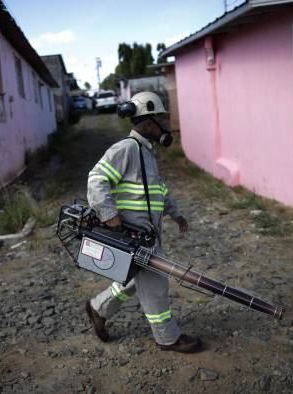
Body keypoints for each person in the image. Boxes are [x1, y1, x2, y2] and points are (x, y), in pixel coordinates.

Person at [84, 91, 202, 353]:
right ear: (148, 122)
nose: (165, 124)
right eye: (160, 118)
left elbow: (157, 189)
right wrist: (108, 214)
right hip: (132, 234)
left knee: (134, 279)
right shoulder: (126, 149)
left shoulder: (145, 152)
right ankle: (168, 337)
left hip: (146, 235)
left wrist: (175, 213)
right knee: (156, 284)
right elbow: (96, 178)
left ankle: (98, 308)